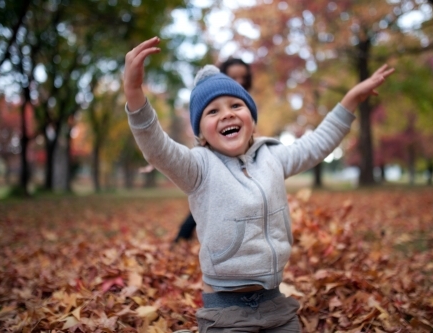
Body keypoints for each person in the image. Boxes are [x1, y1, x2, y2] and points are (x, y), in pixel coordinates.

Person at [123, 36, 394, 333]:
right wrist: (134, 92)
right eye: (212, 112)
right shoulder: (197, 167)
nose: (226, 113)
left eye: (235, 105)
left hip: (275, 301)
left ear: (250, 116)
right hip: (226, 310)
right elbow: (156, 146)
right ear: (201, 133)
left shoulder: (273, 156)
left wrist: (351, 99)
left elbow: (318, 143)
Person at [174, 57, 253, 243]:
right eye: (234, 77)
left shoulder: (246, 102)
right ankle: (182, 237)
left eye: (243, 77)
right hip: (215, 165)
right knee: (208, 201)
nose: (239, 81)